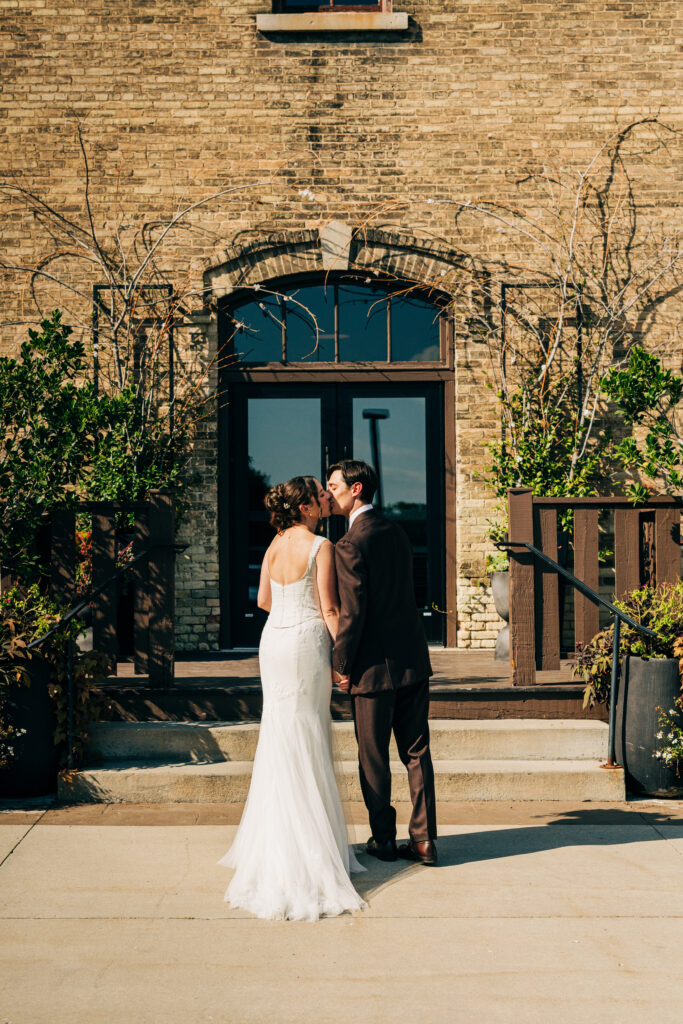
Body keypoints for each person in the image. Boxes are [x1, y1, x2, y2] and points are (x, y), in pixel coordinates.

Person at [217, 475, 366, 921]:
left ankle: (274, 844)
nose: (325, 499)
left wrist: (287, 608)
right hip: (303, 643)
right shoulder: (321, 546)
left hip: (273, 643)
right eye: (319, 496)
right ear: (305, 508)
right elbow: (330, 609)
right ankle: (307, 854)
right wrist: (344, 660)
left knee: (281, 736)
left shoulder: (273, 546)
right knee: (306, 736)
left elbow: (263, 600)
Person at [327, 459, 438, 866]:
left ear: (356, 489)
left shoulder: (349, 543)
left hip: (373, 669)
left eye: (334, 485)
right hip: (412, 660)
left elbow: (352, 614)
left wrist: (341, 663)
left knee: (373, 757)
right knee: (416, 752)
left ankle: (384, 840)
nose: (329, 492)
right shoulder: (398, 533)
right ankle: (425, 841)